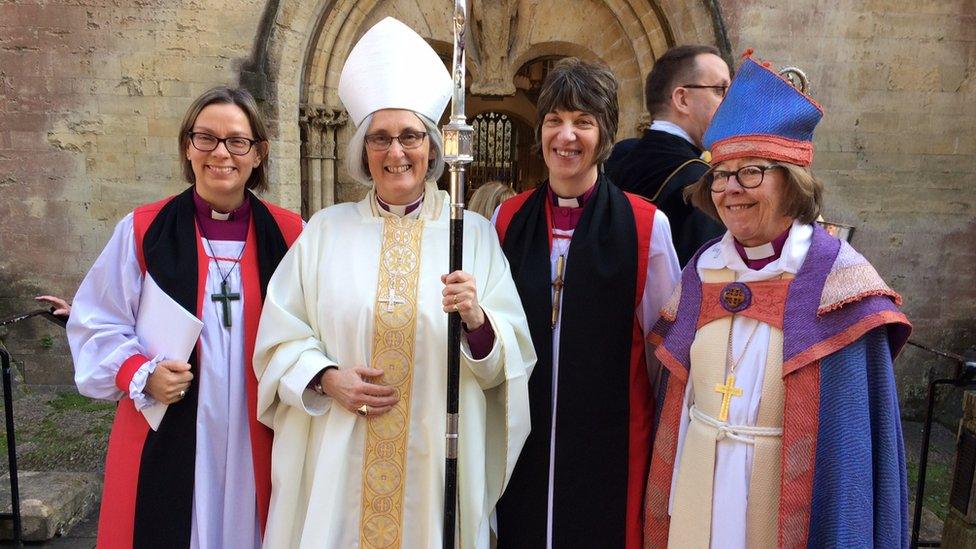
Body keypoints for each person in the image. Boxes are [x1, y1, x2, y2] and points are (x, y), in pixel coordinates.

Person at [252, 18, 535, 549]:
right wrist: (325, 377)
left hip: (435, 461)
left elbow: (508, 363)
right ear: (363, 151)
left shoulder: (469, 234)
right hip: (341, 453)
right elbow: (278, 341)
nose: (396, 152)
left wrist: (477, 320)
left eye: (409, 136)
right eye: (380, 139)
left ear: (432, 147)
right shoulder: (324, 233)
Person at [643, 52, 911, 548]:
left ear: (791, 179)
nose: (729, 190)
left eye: (750, 172)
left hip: (780, 506)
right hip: (695, 489)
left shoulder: (840, 283)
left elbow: (851, 452)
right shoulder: (702, 272)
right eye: (721, 173)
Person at [67, 86, 303, 548]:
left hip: (261, 431)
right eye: (206, 138)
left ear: (259, 153)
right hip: (171, 426)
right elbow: (94, 321)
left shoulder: (292, 233)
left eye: (237, 141)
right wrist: (141, 373)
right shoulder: (143, 228)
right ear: (186, 148)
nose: (221, 153)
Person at [493, 58, 681, 549]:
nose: (566, 136)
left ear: (606, 133)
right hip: (525, 436)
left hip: (611, 435)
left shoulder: (646, 227)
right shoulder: (507, 220)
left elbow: (663, 348)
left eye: (584, 122)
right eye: (554, 120)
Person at [605, 45, 729, 266]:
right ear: (682, 99)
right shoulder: (703, 184)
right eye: (720, 90)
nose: (729, 102)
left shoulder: (617, 156)